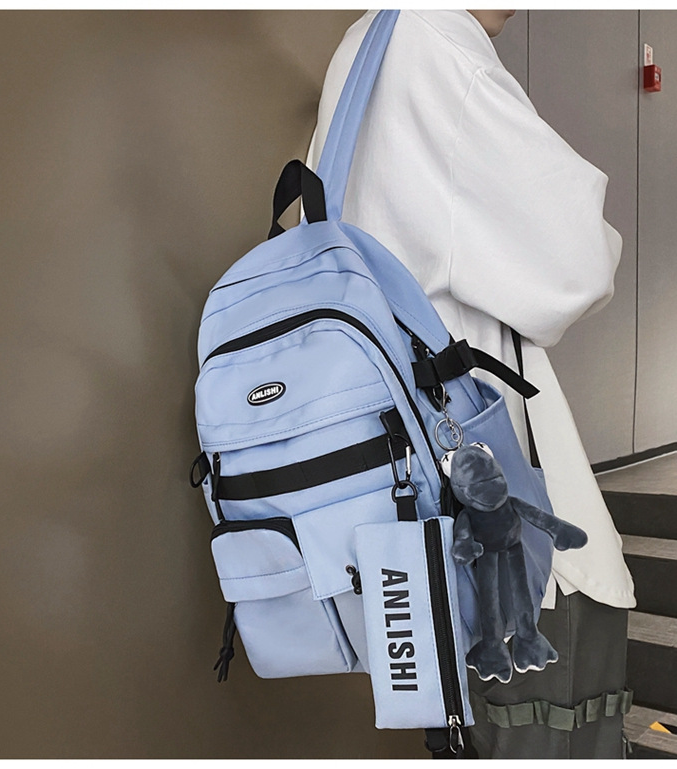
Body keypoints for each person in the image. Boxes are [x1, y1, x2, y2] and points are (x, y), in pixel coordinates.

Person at [307, 9, 636, 760]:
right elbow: (578, 261)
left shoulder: (362, 45)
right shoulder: (436, 42)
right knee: (549, 716)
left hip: (407, 503)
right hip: (496, 487)